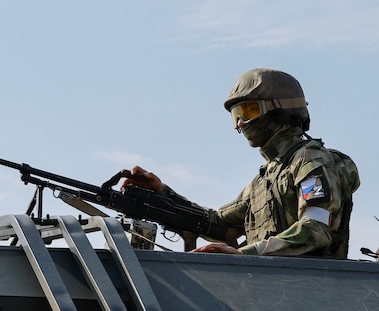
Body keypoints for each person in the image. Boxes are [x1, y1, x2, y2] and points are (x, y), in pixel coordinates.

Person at [123, 68, 360, 258]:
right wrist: (162, 194)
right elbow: (219, 225)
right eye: (236, 116)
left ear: (280, 111)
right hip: (267, 287)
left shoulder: (310, 161)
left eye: (248, 111)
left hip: (311, 290)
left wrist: (243, 253)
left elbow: (316, 231)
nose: (241, 124)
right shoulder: (264, 180)